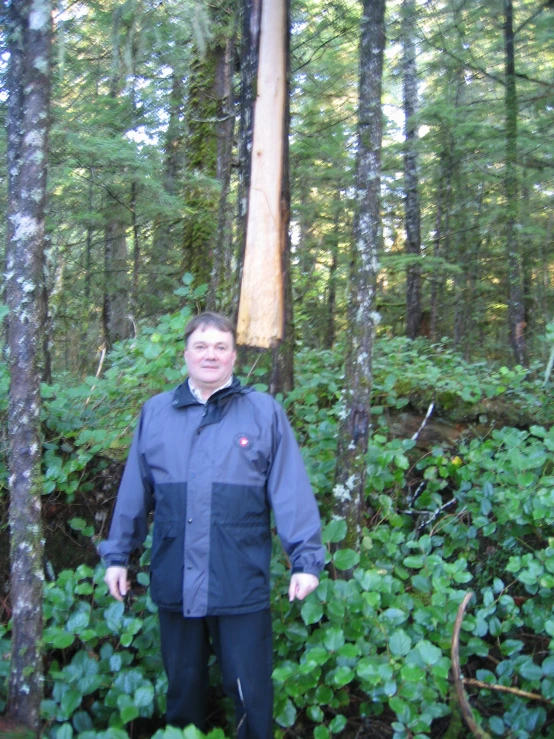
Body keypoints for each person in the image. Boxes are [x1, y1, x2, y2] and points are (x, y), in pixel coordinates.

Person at [99, 311, 325, 739]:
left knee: (251, 696)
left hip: (239, 579)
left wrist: (306, 561)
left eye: (220, 347)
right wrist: (118, 556)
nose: (210, 355)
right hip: (174, 578)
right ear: (185, 354)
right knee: (182, 694)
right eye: (201, 346)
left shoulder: (263, 413)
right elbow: (134, 491)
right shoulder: (156, 413)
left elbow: (290, 490)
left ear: (234, 357)